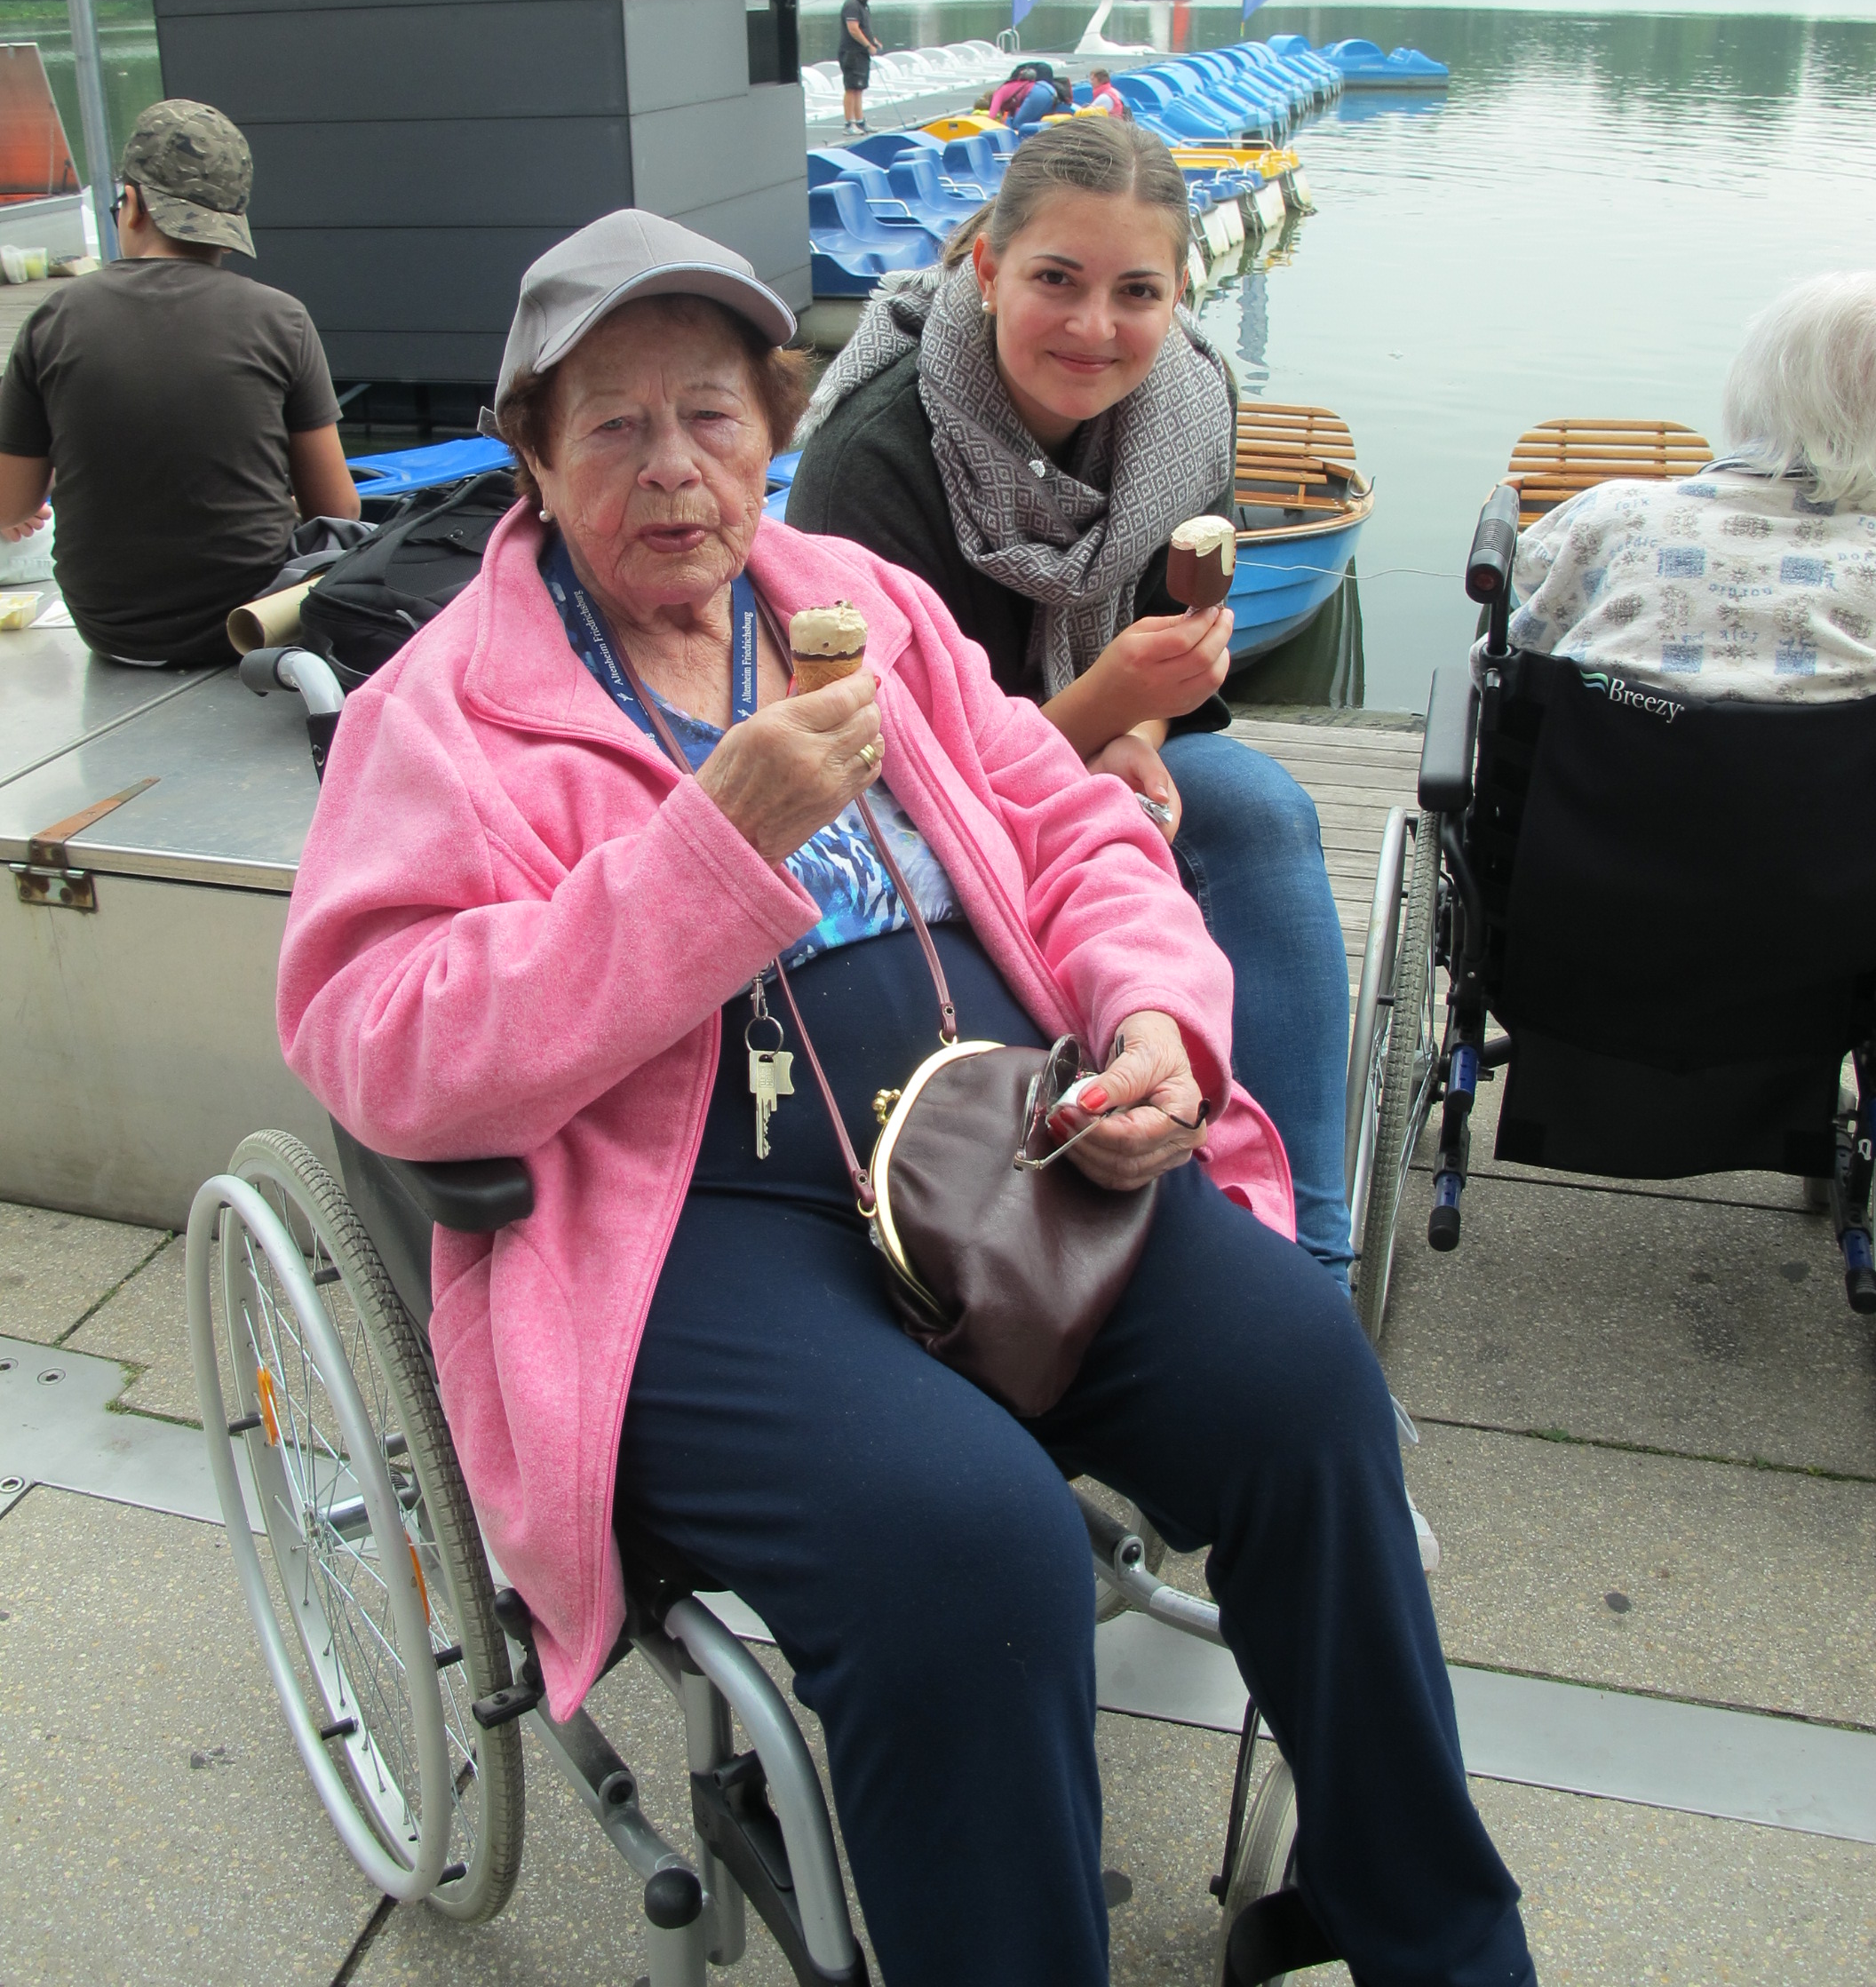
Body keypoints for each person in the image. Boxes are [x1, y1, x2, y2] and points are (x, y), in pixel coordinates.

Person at [277, 206, 1534, 1987]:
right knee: (971, 1546)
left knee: (1304, 1385)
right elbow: (378, 1041)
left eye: (711, 415)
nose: (671, 465)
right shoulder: (447, 716)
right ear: (534, 461)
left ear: (771, 434)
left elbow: (1071, 822)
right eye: (613, 424)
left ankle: (1425, 1925)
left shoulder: (858, 607)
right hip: (688, 1220)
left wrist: (1155, 1020)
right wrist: (709, 850)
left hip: (992, 1131)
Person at [787, 121, 1356, 1283]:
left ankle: (1312, 1257)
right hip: (916, 818)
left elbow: (1175, 622)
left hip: (1092, 740)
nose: (1096, 328)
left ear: (1179, 291)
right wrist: (1104, 704)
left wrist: (1138, 729)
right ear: (989, 268)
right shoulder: (877, 457)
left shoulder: (1187, 403)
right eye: (1058, 279)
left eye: (1136, 291)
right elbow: (906, 780)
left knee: (1258, 812)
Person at [0, 98, 359, 664]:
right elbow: (335, 509)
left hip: (110, 630)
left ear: (134, 205)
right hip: (254, 624)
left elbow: (9, 504)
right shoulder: (280, 318)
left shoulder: (56, 317)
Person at [1506, 271, 1876, 700]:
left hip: (1613, 740)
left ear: (1751, 385)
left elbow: (1517, 648)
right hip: (1833, 744)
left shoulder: (1610, 513)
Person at [839, 0, 885, 133]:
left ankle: (860, 121)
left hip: (861, 53)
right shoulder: (852, 4)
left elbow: (864, 28)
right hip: (852, 53)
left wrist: (873, 41)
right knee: (851, 88)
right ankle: (848, 124)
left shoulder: (862, 5)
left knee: (859, 88)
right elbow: (853, 29)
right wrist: (868, 46)